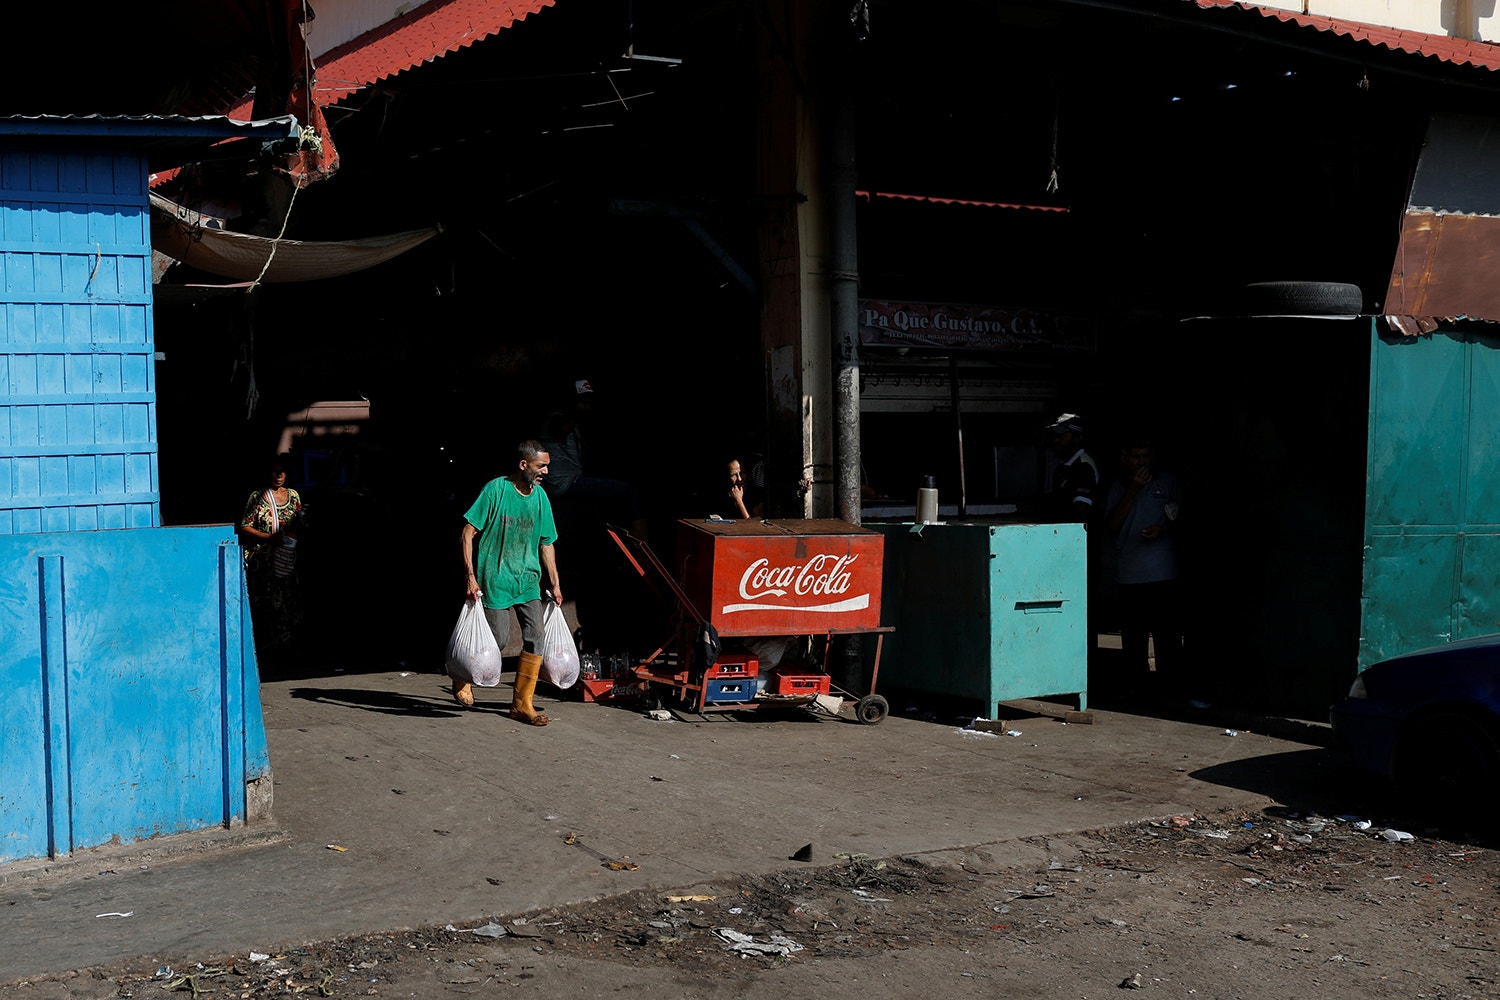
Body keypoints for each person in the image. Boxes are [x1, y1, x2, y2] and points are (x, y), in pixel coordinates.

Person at [458, 440, 564, 726]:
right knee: (497, 641)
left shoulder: (541, 498)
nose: (545, 472)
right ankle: (461, 674)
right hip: (496, 579)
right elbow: (467, 533)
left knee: (536, 637)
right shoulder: (496, 490)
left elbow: (547, 544)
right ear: (523, 465)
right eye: (540, 466)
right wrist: (471, 576)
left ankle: (521, 704)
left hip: (528, 580)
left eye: (547, 466)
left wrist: (555, 583)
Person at [1103, 435, 1185, 693]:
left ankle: (1169, 689)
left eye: (1146, 456)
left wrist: (1162, 529)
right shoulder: (1118, 486)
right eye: (1136, 457)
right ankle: (1138, 691)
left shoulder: (1167, 482)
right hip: (1130, 575)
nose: (1142, 462)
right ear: (1124, 458)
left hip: (1163, 573)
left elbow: (1182, 518)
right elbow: (1111, 526)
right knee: (1134, 638)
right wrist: (1132, 491)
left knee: (1166, 637)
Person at [239, 456, 305, 663]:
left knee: (287, 602)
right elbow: (244, 525)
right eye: (274, 472)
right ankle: (268, 649)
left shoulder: (293, 496)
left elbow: (299, 523)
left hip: (286, 559)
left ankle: (287, 646)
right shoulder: (257, 497)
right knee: (267, 604)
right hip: (264, 562)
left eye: (282, 472)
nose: (278, 476)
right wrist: (268, 538)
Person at [1047, 412, 1098, 522]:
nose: (1056, 440)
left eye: (1061, 436)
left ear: (1078, 438)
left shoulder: (1083, 466)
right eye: (1055, 436)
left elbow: (1081, 510)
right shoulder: (1064, 465)